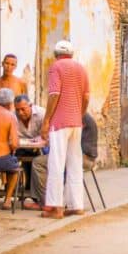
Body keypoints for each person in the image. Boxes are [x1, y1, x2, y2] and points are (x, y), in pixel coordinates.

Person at [41, 40, 90, 219]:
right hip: (76, 122)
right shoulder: (81, 68)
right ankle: (77, 205)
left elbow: (54, 94)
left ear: (56, 54)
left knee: (56, 163)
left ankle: (56, 207)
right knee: (74, 164)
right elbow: (86, 96)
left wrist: (46, 119)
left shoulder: (56, 67)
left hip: (59, 123)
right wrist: (80, 114)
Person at [22, 113, 98, 211]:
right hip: (88, 157)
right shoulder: (81, 115)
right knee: (48, 162)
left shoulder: (72, 117)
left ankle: (46, 202)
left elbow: (63, 141)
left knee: (38, 162)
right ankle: (49, 200)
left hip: (82, 158)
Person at [13, 95, 45, 208]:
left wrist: (37, 142)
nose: (20, 113)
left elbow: (45, 135)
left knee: (37, 160)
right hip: (21, 147)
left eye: (23, 109)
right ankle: (12, 191)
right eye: (17, 110)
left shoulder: (41, 114)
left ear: (30, 106)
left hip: (39, 147)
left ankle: (36, 195)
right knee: (11, 159)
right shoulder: (13, 117)